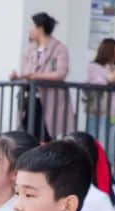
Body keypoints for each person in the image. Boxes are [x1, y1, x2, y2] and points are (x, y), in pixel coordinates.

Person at [12, 12, 72, 141]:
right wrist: (17, 77)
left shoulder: (59, 48)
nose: (29, 29)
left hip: (50, 100)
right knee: (27, 135)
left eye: (32, 26)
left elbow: (61, 73)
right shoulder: (29, 49)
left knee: (46, 135)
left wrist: (36, 75)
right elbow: (26, 72)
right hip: (29, 99)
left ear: (40, 28)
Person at [85, 39, 115, 160]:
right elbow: (96, 83)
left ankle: (108, 174)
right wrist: (110, 78)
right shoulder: (94, 67)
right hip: (96, 113)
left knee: (111, 149)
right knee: (95, 146)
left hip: (113, 115)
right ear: (110, 50)